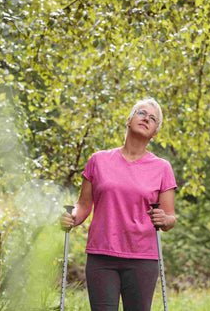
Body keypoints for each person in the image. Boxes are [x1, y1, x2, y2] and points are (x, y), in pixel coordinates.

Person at [60, 98, 177, 311]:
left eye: (153, 119)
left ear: (155, 133)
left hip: (142, 258)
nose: (146, 119)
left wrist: (164, 219)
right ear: (129, 119)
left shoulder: (162, 168)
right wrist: (72, 217)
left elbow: (170, 218)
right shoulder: (98, 160)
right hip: (101, 256)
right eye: (142, 113)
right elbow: (83, 205)